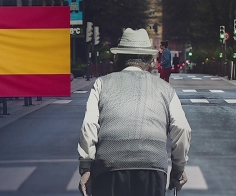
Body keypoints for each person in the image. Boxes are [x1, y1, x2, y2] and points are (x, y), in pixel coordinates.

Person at [77, 28, 192, 196]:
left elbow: (89, 125)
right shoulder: (165, 89)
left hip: (108, 167)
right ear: (151, 60)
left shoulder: (102, 84)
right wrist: (178, 168)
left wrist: (86, 167)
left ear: (117, 58)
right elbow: (182, 128)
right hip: (153, 168)